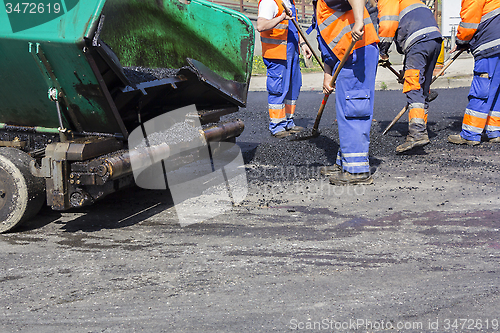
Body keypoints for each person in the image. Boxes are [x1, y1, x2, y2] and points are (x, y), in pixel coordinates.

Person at [315, 0, 379, 185]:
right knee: (345, 108)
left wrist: (359, 21)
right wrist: (328, 72)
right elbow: (327, 42)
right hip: (345, 54)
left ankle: (357, 170)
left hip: (358, 50)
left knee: (354, 106)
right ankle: (344, 162)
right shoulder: (319, 5)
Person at [377, 0, 443, 153]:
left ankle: (417, 133)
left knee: (413, 86)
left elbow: (387, 25)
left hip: (418, 41)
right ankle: (421, 130)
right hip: (434, 39)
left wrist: (382, 51)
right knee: (422, 88)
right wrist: (405, 72)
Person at [447, 0, 500, 146]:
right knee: (497, 88)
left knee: (482, 88)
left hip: (489, 44)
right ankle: (494, 131)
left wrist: (462, 41)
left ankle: (471, 133)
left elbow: (470, 19)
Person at [257, 0, 312, 138]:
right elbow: (261, 25)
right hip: (277, 55)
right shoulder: (270, 2)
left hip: (292, 53)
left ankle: (288, 121)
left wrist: (303, 43)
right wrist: (281, 17)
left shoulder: (290, 2)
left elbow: (294, 26)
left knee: (293, 88)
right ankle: (277, 126)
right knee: (278, 89)